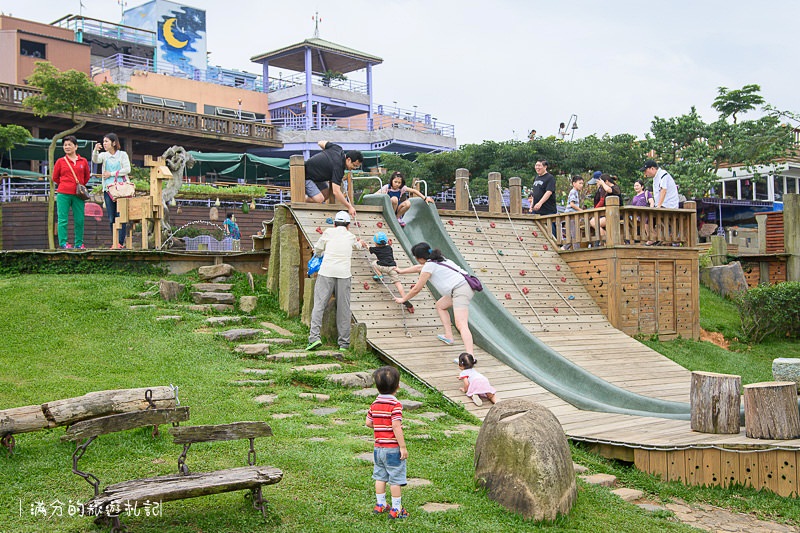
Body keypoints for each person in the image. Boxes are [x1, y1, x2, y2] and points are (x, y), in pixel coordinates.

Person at [394, 242, 476, 355]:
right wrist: (401, 271)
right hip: (462, 288)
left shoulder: (429, 266)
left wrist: (403, 299)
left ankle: (470, 357)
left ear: (420, 257)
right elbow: (419, 268)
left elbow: (417, 288)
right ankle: (448, 336)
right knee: (440, 306)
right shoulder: (439, 260)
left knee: (461, 324)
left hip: (460, 290)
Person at [306, 211, 367, 351]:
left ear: (334, 224)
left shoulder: (328, 233)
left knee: (319, 305)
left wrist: (320, 254)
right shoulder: (351, 236)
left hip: (326, 272)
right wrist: (360, 243)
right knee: (343, 308)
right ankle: (344, 343)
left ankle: (314, 338)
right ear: (348, 225)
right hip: (344, 274)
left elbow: (318, 248)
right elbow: (356, 246)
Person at [366, 366, 409, 520]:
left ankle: (380, 504)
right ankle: (397, 508)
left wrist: (380, 424)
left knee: (380, 476)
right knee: (395, 479)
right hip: (392, 449)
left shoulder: (374, 404)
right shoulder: (395, 405)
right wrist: (402, 446)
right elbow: (396, 426)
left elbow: (368, 423)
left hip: (378, 448)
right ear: (397, 386)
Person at [51, 135, 91, 250]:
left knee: (79, 219)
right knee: (62, 219)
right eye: (65, 145)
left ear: (76, 146)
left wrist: (78, 186)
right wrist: (65, 184)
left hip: (78, 194)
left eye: (69, 144)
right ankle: (63, 243)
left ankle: (79, 243)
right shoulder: (60, 161)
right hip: (63, 193)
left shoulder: (83, 161)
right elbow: (55, 177)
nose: (67, 147)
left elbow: (86, 177)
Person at [92, 133, 131, 249]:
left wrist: (112, 174)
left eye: (106, 141)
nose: (104, 144)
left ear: (114, 143)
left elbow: (127, 169)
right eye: (103, 142)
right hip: (108, 189)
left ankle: (120, 242)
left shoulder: (122, 155)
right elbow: (96, 160)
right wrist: (95, 150)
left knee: (121, 215)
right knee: (111, 217)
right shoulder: (104, 155)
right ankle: (115, 241)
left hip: (121, 189)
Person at [304, 140, 362, 218]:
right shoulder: (339, 168)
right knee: (319, 199)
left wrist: (326, 157)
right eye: (354, 165)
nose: (354, 168)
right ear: (348, 160)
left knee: (326, 194)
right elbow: (336, 192)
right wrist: (349, 207)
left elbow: (320, 142)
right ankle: (303, 200)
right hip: (305, 175)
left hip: (316, 177)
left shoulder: (337, 148)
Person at [369, 231, 414, 313]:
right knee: (398, 283)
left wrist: (364, 244)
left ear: (376, 243)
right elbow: (386, 248)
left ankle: (380, 275)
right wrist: (389, 245)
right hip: (393, 267)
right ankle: (405, 298)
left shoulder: (375, 249)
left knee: (374, 263)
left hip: (382, 267)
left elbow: (368, 247)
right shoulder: (389, 248)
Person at [588, 173, 621, 243]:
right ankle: (606, 236)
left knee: (594, 222)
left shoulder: (615, 188)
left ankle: (607, 238)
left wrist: (602, 183)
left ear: (606, 181)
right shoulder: (605, 190)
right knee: (592, 221)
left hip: (616, 215)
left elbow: (609, 190)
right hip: (608, 214)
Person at [561, 175, 584, 250]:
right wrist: (580, 210)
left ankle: (564, 248)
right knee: (575, 234)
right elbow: (572, 204)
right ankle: (576, 250)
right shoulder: (573, 192)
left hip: (572, 215)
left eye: (582, 184)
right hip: (571, 215)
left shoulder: (576, 192)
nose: (581, 185)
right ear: (574, 183)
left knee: (572, 235)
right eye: (580, 183)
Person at [630, 179, 654, 243]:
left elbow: (651, 202)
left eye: (637, 185)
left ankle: (650, 238)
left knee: (645, 222)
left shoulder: (646, 193)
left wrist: (651, 210)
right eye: (635, 186)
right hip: (637, 215)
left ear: (642, 186)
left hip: (645, 213)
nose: (636, 187)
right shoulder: (634, 197)